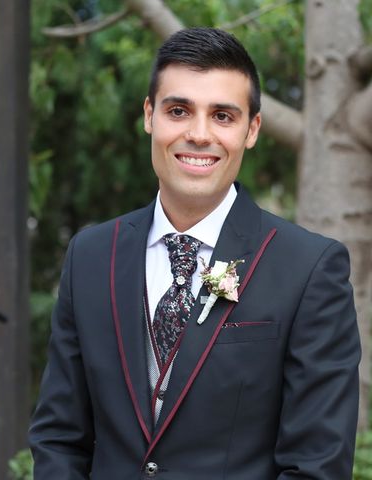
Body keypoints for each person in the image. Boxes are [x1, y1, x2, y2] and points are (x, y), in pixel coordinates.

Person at [28, 27, 361, 479]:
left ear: (252, 130)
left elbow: (316, 464)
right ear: (149, 115)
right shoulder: (89, 256)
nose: (199, 134)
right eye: (179, 110)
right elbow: (58, 437)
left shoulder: (309, 269)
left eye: (223, 116)